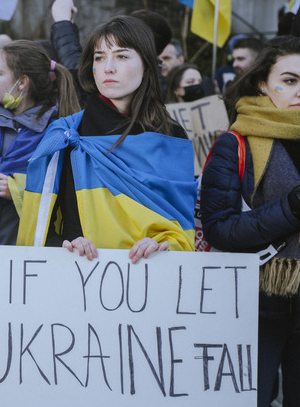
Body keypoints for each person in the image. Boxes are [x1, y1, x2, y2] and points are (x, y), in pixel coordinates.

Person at [13, 15, 195, 260]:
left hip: (151, 283)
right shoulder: (66, 136)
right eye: (99, 57)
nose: (108, 67)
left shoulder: (171, 135)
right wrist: (68, 246)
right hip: (80, 281)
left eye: (121, 56)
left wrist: (162, 246)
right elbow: (40, 233)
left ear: (147, 64)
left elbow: (183, 229)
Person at [0, 39, 81, 371]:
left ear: (22, 83)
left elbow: (67, 192)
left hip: (32, 271)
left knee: (27, 357)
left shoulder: (61, 134)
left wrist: (18, 189)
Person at [200, 36, 300, 407]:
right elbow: (220, 229)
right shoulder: (235, 143)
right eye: (291, 80)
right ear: (263, 83)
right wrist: (291, 209)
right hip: (255, 305)